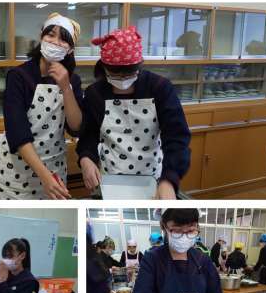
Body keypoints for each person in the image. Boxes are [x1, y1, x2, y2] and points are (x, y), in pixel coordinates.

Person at [77, 26, 191, 200]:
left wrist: (169, 179)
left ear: (139, 65)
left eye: (129, 73)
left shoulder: (159, 88)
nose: (123, 80)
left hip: (153, 178)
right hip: (111, 179)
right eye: (116, 74)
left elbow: (176, 136)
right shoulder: (95, 93)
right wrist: (86, 158)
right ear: (104, 67)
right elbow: (88, 134)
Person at [0, 13, 83, 200]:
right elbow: (17, 132)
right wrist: (44, 176)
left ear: (70, 49)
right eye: (51, 35)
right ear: (41, 37)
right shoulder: (19, 76)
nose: (55, 42)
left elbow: (75, 127)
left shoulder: (72, 80)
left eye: (63, 40)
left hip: (54, 169)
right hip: (14, 175)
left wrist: (66, 88)